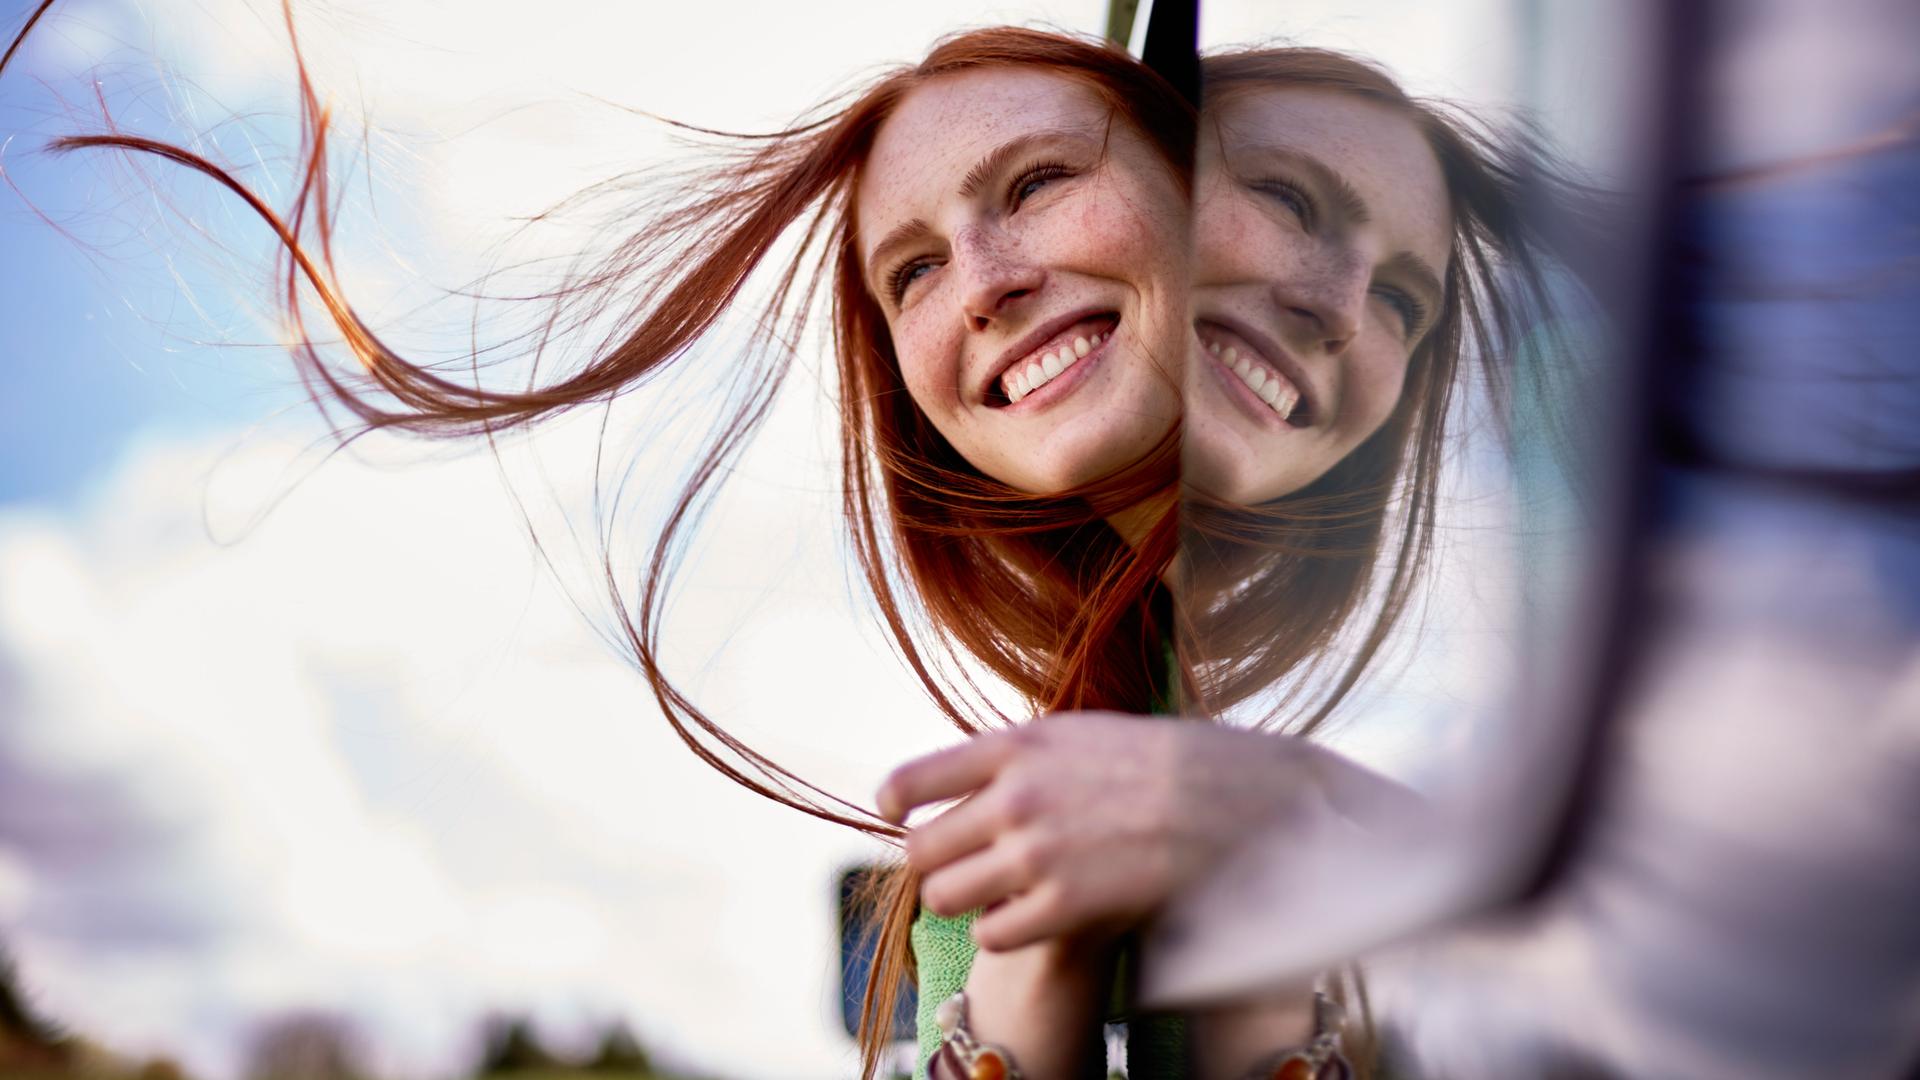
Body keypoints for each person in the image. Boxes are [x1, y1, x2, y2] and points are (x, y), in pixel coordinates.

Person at [877, 45, 1593, 1079]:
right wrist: (1025, 971)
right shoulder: (986, 862)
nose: (1342, 308)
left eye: (1402, 300)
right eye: (1286, 200)